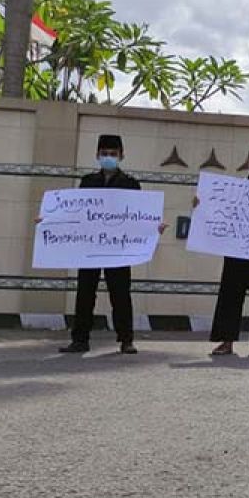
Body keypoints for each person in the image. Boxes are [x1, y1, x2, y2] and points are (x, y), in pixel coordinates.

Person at [61, 135, 149, 355]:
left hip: (117, 249)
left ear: (121, 156)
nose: (108, 157)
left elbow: (140, 217)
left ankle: (126, 339)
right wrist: (50, 222)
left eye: (113, 154)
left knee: (120, 294)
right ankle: (80, 339)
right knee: (85, 294)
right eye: (104, 154)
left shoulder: (130, 184)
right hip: (90, 248)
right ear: (97, 155)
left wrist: (153, 228)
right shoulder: (88, 182)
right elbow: (75, 212)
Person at [206, 144, 249, 358]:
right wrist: (201, 205)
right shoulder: (232, 191)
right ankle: (226, 342)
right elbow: (215, 210)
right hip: (236, 253)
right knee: (230, 296)